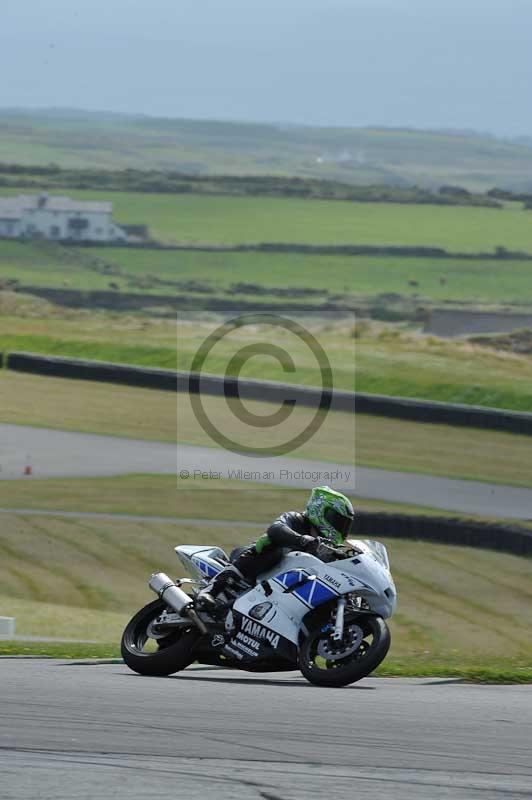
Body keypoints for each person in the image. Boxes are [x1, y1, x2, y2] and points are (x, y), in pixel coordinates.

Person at [197, 486, 355, 609]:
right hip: (256, 566)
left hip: (280, 593)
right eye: (339, 521)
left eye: (345, 526)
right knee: (273, 548)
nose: (342, 529)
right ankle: (211, 590)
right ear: (321, 510)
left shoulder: (327, 548)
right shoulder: (296, 519)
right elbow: (275, 529)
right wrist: (303, 541)